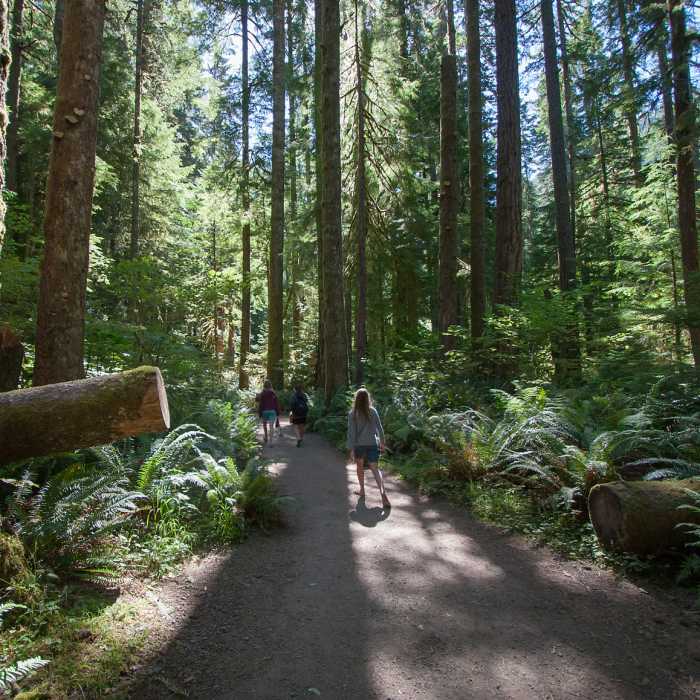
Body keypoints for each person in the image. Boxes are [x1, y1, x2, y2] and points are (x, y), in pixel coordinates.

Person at [347, 388, 391, 509]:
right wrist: (382, 443)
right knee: (375, 469)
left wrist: (351, 449)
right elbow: (380, 428)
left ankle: (362, 490)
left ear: (356, 399)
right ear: (368, 399)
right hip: (372, 444)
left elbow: (351, 433)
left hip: (359, 445)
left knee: (360, 467)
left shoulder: (352, 413)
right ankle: (383, 494)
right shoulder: (373, 411)